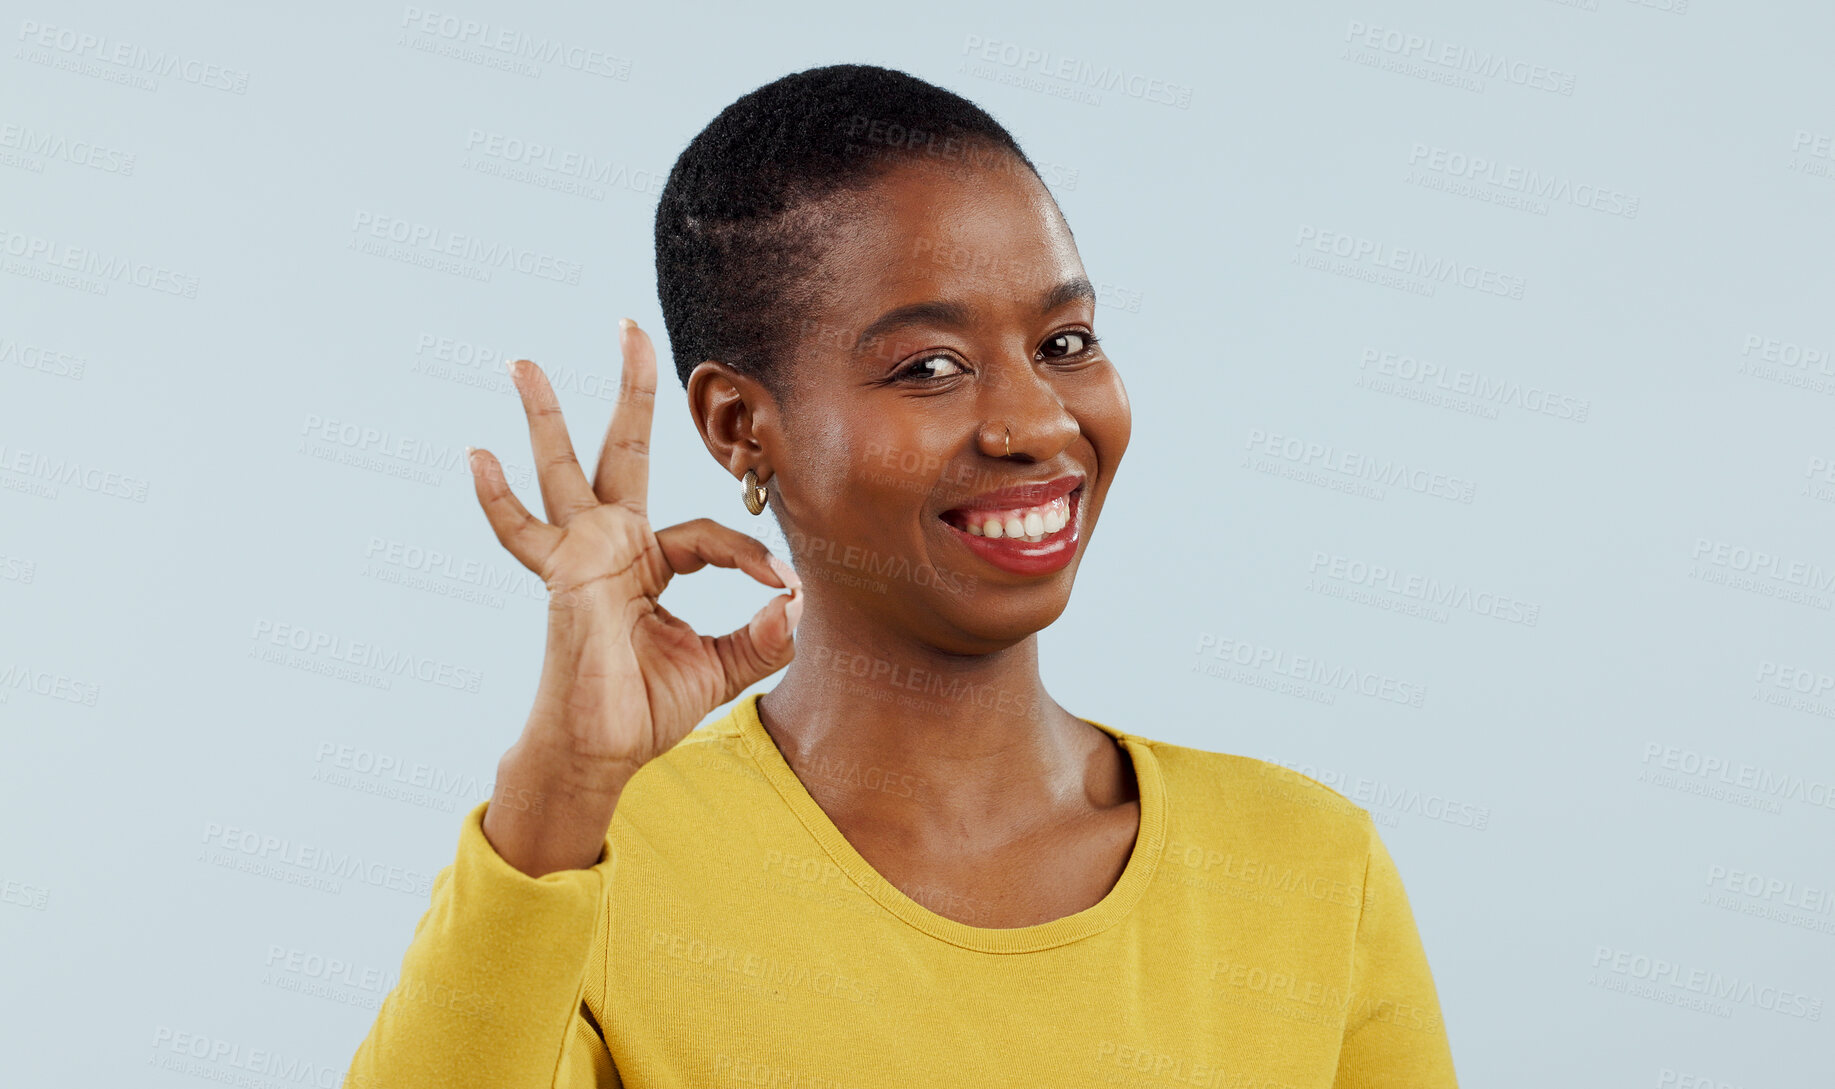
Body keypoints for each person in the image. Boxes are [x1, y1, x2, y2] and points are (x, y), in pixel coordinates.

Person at [343, 63, 1458, 1088]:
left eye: (1065, 341)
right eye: (930, 366)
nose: (1037, 421)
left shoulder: (1306, 868)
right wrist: (561, 790)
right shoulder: (591, 871)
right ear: (739, 426)